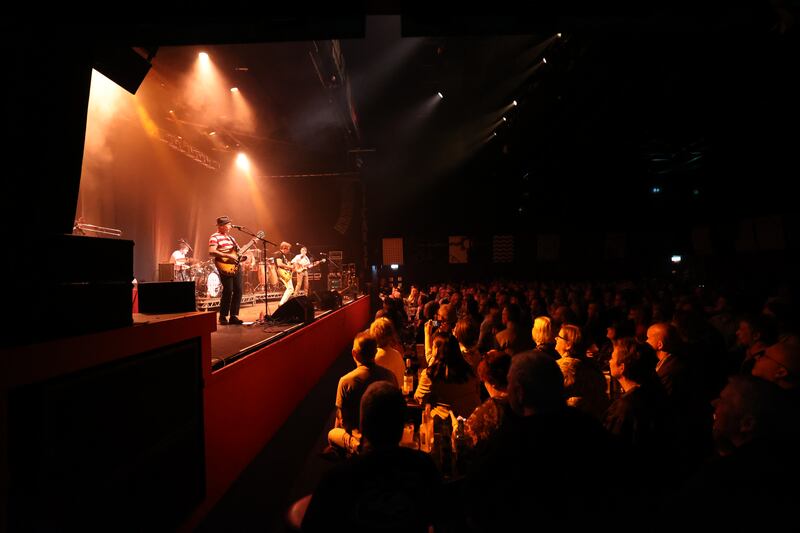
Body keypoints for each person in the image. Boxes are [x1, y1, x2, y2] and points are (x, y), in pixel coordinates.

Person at [302, 381, 442, 532]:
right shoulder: (424, 467)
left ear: (362, 426)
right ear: (402, 426)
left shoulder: (335, 479)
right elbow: (442, 519)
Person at [208, 216, 243, 325]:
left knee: (238, 290)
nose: (230, 226)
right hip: (224, 266)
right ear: (221, 226)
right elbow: (212, 251)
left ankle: (233, 316)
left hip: (236, 266)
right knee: (228, 290)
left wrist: (243, 254)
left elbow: (238, 251)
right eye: (228, 224)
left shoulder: (231, 238)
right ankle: (222, 316)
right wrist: (227, 255)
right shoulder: (214, 237)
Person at [274, 241, 294, 306]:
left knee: (290, 288)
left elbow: (283, 264)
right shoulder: (279, 253)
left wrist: (289, 265)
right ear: (284, 248)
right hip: (282, 272)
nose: (289, 250)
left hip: (284, 272)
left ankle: (282, 303)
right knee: (290, 288)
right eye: (288, 249)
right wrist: (289, 266)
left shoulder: (282, 255)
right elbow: (279, 264)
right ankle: (281, 303)